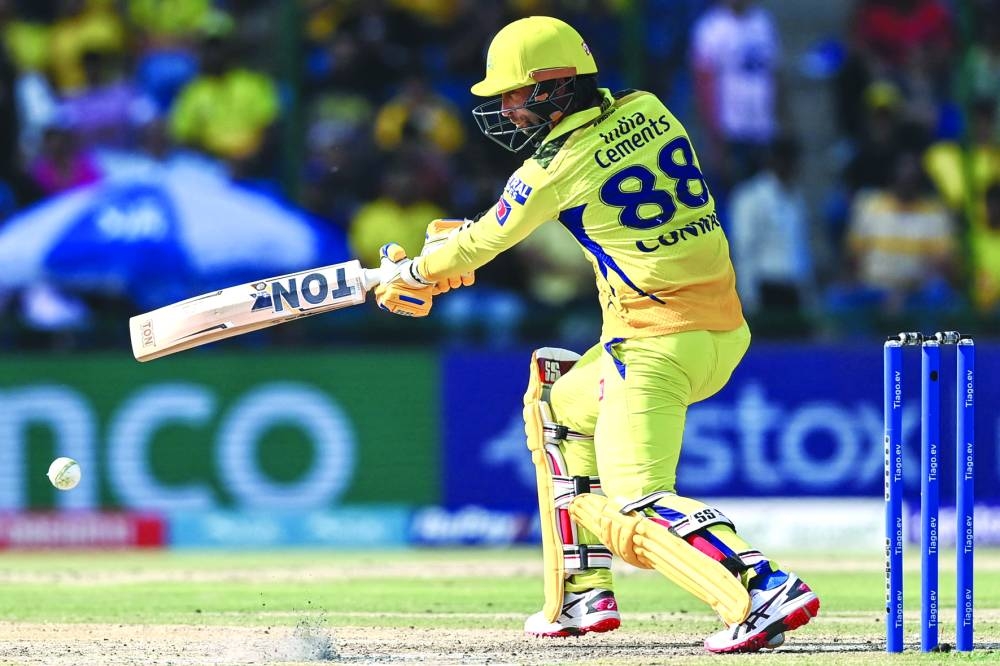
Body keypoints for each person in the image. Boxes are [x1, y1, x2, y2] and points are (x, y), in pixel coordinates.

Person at [372, 16, 819, 653]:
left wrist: (413, 271)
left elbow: (487, 239)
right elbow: (498, 231)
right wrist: (456, 253)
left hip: (655, 349)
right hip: (720, 330)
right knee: (557, 409)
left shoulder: (552, 167)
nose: (504, 108)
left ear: (554, 89)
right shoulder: (651, 109)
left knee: (638, 501)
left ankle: (762, 584)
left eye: (513, 94)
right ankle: (583, 594)